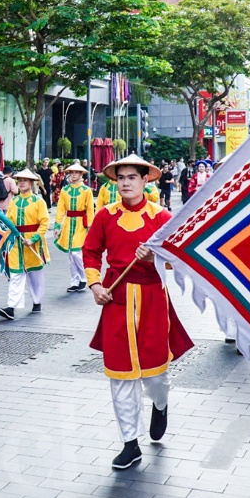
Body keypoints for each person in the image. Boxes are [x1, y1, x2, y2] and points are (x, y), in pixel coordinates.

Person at [82, 154, 193, 470]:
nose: (126, 182)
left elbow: (178, 260)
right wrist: (95, 286)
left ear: (146, 180)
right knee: (120, 375)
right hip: (115, 299)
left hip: (152, 301)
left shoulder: (161, 219)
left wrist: (151, 259)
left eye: (132, 177)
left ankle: (161, 403)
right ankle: (130, 443)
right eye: (121, 177)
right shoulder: (105, 216)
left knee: (155, 374)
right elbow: (90, 252)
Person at [0, 169, 50, 319]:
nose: (21, 183)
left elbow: (44, 223)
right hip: (16, 243)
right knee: (15, 275)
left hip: (34, 244)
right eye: (19, 180)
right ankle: (11, 307)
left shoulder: (38, 201)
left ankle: (37, 301)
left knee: (35, 276)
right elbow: (10, 222)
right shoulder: (14, 201)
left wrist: (33, 239)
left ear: (31, 183)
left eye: (25, 180)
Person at [54, 163, 95, 293]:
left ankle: (83, 278)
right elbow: (61, 209)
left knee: (77, 253)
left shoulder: (86, 190)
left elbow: (89, 210)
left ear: (81, 174)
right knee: (71, 255)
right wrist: (57, 226)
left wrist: (90, 227)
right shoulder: (65, 190)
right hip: (68, 224)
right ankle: (74, 281)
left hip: (80, 224)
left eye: (76, 172)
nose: (73, 174)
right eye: (71, 172)